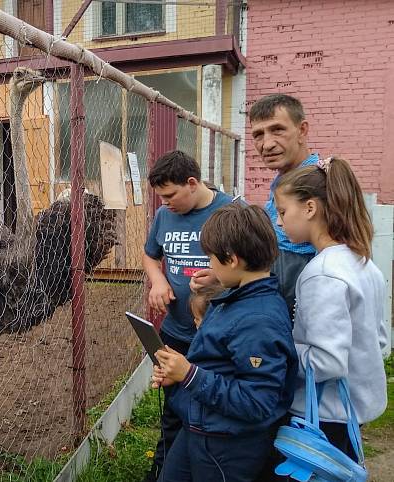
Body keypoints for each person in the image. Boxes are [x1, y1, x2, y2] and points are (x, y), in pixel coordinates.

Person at [152, 203, 298, 482]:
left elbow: (258, 402)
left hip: (227, 446)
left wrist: (189, 374)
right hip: (204, 428)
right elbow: (219, 362)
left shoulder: (258, 320)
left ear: (231, 259)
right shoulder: (235, 296)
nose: (209, 266)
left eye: (210, 259)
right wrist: (178, 378)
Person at [273, 156, 387, 461]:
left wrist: (278, 350)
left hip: (323, 417)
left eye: (283, 212)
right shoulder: (364, 263)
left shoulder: (321, 273)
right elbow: (380, 341)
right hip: (351, 410)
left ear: (310, 208)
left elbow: (327, 362)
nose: (279, 222)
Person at [140, 150, 232, 481]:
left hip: (215, 334)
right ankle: (166, 469)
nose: (165, 203)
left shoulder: (231, 211)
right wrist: (159, 280)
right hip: (176, 331)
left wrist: (218, 278)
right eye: (160, 197)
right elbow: (151, 256)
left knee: (210, 408)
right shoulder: (165, 217)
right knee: (174, 410)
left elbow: (254, 267)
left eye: (170, 195)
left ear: (192, 183)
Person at [191, 94, 318, 318]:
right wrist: (227, 274)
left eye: (277, 129)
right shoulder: (282, 183)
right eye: (258, 135)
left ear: (302, 130)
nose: (267, 144)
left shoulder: (319, 185)